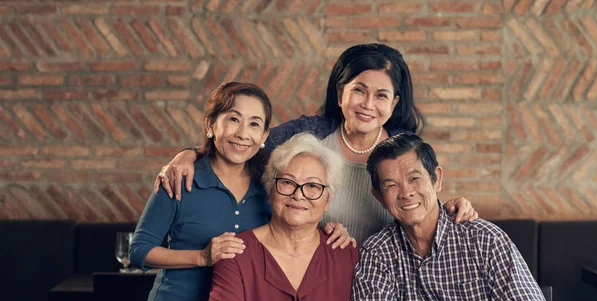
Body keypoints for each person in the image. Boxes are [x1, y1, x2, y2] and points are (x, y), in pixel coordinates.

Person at [129, 82, 352, 301]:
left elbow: (297, 210)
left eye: (254, 124)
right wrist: (201, 257)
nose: (242, 133)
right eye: (233, 119)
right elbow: (138, 251)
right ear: (210, 124)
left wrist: (332, 228)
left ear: (264, 137)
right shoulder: (181, 178)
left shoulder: (267, 185)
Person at [154, 43, 477, 244]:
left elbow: (417, 204)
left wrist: (451, 204)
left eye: (381, 96)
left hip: (385, 289)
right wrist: (189, 154)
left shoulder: (403, 148)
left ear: (394, 104)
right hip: (317, 279)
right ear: (340, 94)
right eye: (359, 90)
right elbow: (244, 145)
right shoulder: (305, 135)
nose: (368, 104)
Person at [350, 134, 558, 301]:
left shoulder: (484, 239)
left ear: (436, 179)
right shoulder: (376, 252)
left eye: (415, 178)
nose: (406, 193)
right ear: (379, 197)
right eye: (391, 185)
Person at [205, 133, 360, 301]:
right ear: (270, 191)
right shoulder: (237, 251)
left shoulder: (346, 253)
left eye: (313, 186)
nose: (298, 195)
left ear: (328, 201)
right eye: (287, 182)